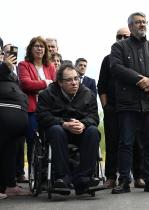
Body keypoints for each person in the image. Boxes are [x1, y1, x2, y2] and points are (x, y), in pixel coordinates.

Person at [110, 12, 149, 194]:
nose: (141, 25)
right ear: (131, 26)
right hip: (128, 104)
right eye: (137, 22)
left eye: (143, 22)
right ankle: (124, 181)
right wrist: (139, 80)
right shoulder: (118, 47)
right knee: (125, 143)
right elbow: (116, 68)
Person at [36, 63, 101, 195]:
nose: (74, 83)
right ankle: (63, 177)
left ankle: (83, 177)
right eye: (69, 80)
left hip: (79, 131)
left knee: (93, 131)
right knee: (56, 130)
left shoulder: (88, 94)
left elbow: (94, 117)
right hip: (58, 132)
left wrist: (83, 124)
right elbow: (43, 117)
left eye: (76, 78)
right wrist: (63, 124)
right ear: (60, 82)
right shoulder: (47, 94)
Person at [97, 27, 145, 189]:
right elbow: (101, 86)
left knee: (137, 143)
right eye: (119, 36)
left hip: (134, 108)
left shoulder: (138, 58)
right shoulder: (107, 59)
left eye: (126, 36)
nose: (123, 38)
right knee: (112, 143)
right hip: (114, 109)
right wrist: (106, 107)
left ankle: (138, 176)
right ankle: (111, 177)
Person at [18, 36, 56, 166]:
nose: (39, 49)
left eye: (42, 46)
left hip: (49, 109)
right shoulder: (24, 65)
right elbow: (25, 84)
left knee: (49, 139)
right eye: (36, 46)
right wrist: (46, 82)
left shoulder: (50, 67)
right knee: (32, 141)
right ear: (31, 49)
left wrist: (40, 85)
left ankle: (47, 172)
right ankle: (34, 173)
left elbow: (55, 86)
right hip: (31, 110)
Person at [0, 41, 29, 198]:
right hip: (3, 114)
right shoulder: (4, 67)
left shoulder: (11, 70)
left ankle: (9, 184)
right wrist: (5, 66)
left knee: (10, 152)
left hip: (16, 117)